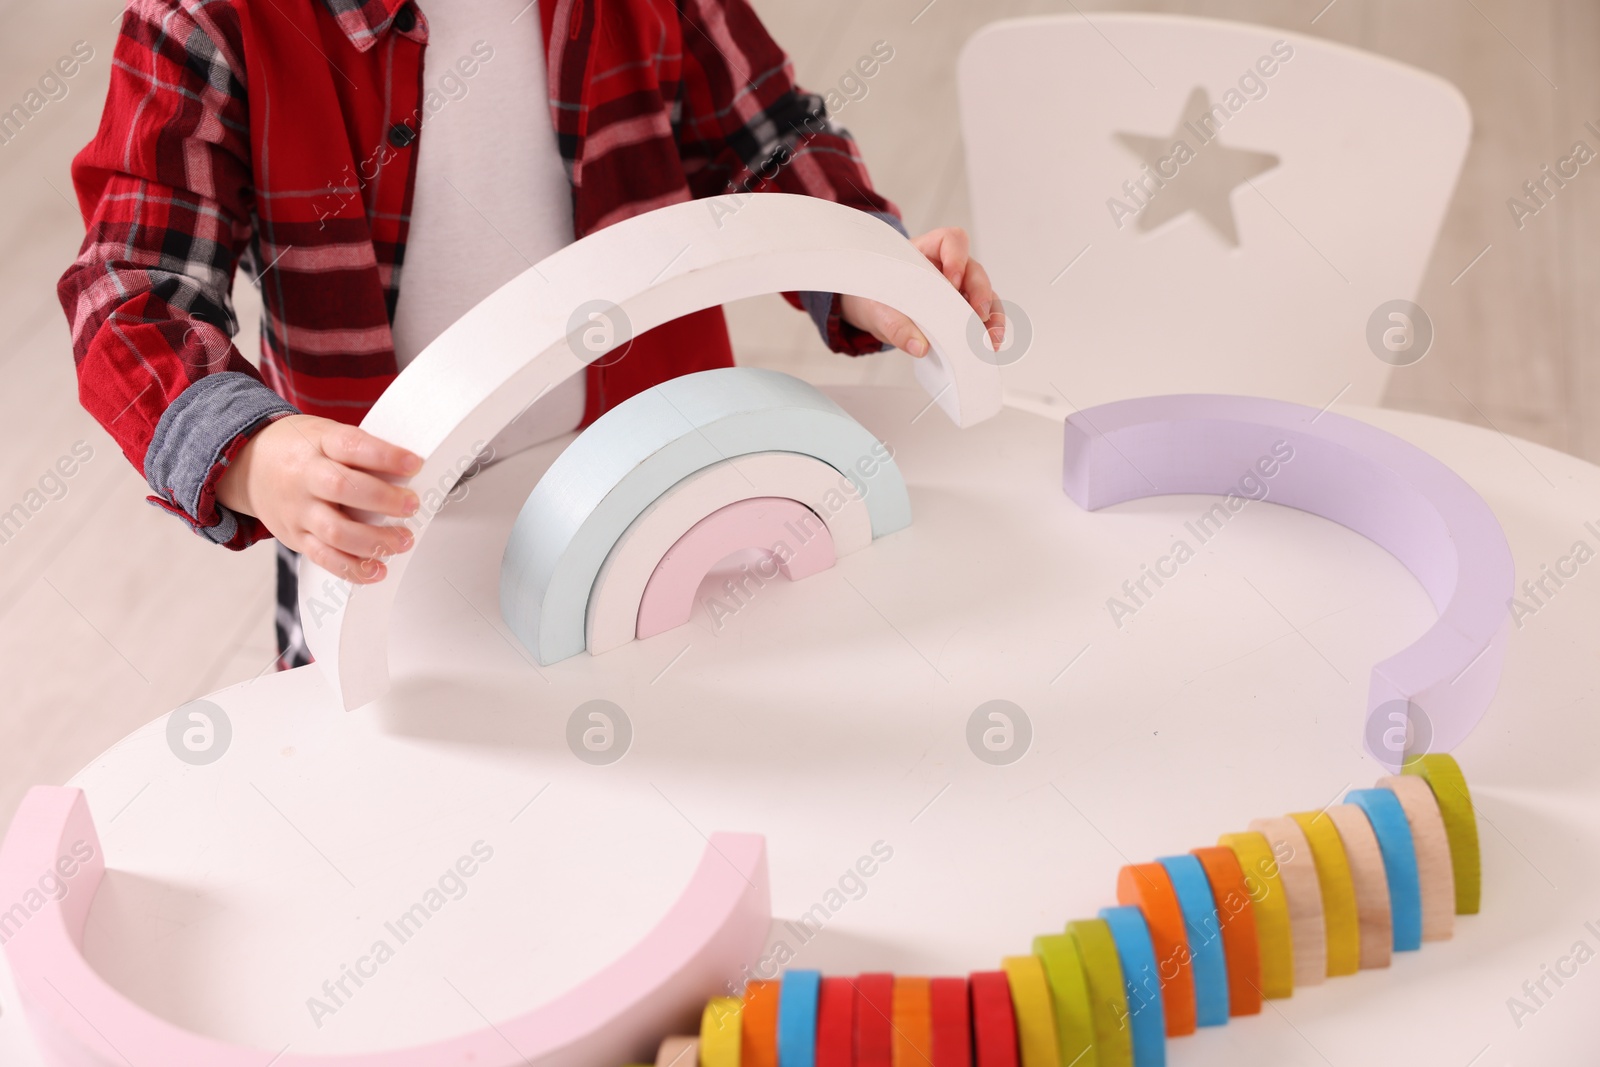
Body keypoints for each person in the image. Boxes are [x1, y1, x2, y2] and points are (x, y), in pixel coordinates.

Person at [58, 0, 1005, 669]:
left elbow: (763, 139)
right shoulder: (207, 20)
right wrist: (252, 454)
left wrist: (865, 268)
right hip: (396, 555)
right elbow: (132, 287)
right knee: (420, 816)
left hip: (660, 508)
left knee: (705, 759)